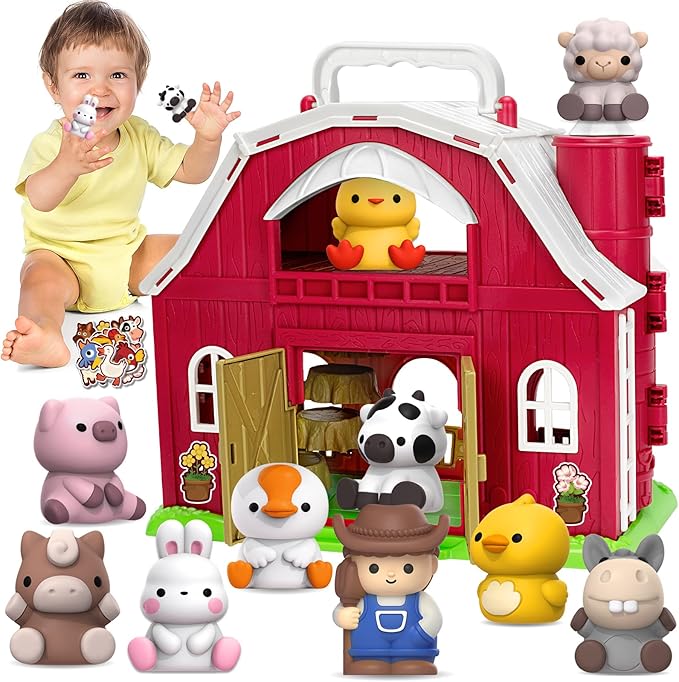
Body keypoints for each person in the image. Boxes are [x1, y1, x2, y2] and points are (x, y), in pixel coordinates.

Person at [1, 1, 240, 367]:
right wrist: (66, 165)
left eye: (117, 75)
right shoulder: (52, 143)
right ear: (54, 86)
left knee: (196, 248)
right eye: (82, 75)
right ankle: (45, 333)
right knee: (39, 279)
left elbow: (191, 171)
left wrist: (207, 140)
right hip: (61, 257)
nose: (100, 89)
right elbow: (39, 198)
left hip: (127, 255)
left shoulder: (138, 135)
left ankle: (223, 305)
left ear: (137, 83)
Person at [332, 504, 447, 675]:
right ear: (352, 565)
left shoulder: (421, 601)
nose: (391, 574)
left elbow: (434, 619)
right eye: (374, 568)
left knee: (411, 665)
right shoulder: (361, 600)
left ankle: (413, 661)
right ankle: (368, 661)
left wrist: (421, 633)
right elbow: (342, 612)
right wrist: (341, 615)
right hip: (369, 651)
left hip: (413, 650)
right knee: (370, 665)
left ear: (432, 565)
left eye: (408, 568)